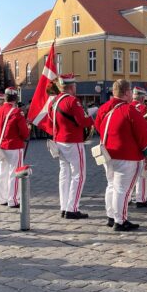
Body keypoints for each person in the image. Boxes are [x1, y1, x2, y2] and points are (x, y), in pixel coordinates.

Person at [95, 80, 147, 231]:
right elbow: (142, 135)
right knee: (123, 190)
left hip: (108, 153)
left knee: (111, 186)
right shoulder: (130, 110)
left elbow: (98, 126)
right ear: (127, 93)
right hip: (127, 156)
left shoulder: (104, 108)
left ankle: (111, 216)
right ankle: (120, 221)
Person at [49, 74, 95, 219]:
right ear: (71, 86)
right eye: (75, 85)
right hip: (73, 141)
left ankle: (64, 206)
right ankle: (72, 208)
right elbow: (82, 122)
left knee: (64, 174)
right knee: (79, 175)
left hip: (59, 140)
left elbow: (51, 118)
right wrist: (94, 117)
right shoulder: (72, 101)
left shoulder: (55, 101)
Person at [0, 87, 30, 208]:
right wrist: (28, 129)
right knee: (14, 173)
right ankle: (13, 199)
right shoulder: (17, 112)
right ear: (15, 98)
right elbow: (24, 133)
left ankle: (2, 198)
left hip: (2, 144)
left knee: (3, 172)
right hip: (14, 145)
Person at [129, 87, 147, 207]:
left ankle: (128, 198)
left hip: (129, 145)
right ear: (142, 98)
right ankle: (141, 198)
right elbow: (144, 131)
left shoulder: (128, 106)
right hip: (140, 145)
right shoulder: (142, 108)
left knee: (129, 175)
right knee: (143, 172)